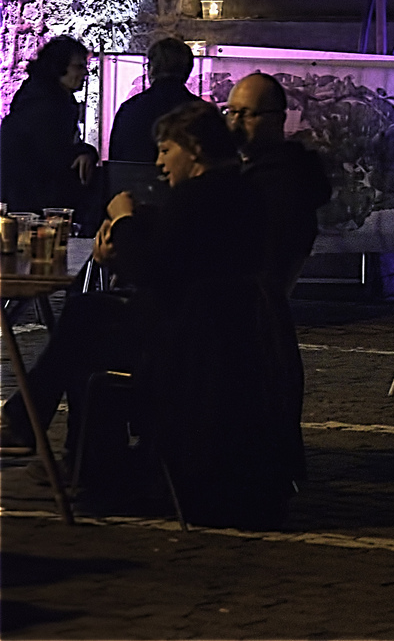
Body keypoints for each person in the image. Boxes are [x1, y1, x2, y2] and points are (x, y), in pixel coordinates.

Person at [4, 102, 299, 527]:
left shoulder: (200, 196)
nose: (159, 162)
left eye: (165, 150)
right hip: (208, 333)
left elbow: (154, 268)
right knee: (86, 317)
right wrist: (131, 230)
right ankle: (68, 453)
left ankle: (51, 441)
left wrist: (122, 221)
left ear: (193, 149)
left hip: (187, 341)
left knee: (84, 329)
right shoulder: (235, 191)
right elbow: (177, 247)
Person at [226, 73, 334, 293]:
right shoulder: (250, 170)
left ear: (278, 119)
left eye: (246, 114)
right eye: (231, 112)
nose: (235, 123)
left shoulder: (282, 182)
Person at [1, 35, 98, 212]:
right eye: (78, 67)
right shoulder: (44, 107)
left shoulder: (49, 100)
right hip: (31, 201)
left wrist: (85, 152)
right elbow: (55, 156)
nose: (85, 73)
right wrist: (86, 152)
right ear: (58, 67)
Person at [107, 38, 201, 166]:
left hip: (136, 183)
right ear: (188, 69)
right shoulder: (201, 112)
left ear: (152, 69)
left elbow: (117, 161)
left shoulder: (130, 109)